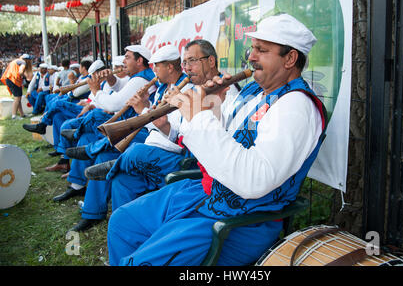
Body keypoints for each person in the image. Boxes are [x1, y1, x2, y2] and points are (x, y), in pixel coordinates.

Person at [107, 14, 328, 266]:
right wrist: (213, 107)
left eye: (261, 50)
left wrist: (198, 117)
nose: (251, 57)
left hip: (242, 220)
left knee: (141, 263)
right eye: (252, 48)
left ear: (290, 59)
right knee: (123, 221)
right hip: (206, 193)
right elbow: (226, 142)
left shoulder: (296, 106)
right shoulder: (255, 91)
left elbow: (255, 180)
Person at [103, 40, 239, 213]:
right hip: (179, 151)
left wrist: (178, 109)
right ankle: (119, 215)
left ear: (211, 61)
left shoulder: (228, 92)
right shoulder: (194, 89)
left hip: (196, 164)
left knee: (136, 151)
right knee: (123, 179)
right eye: (185, 63)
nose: (187, 68)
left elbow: (217, 138)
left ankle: (115, 165)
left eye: (192, 61)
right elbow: (178, 132)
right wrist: (164, 125)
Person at [51, 45, 157, 205]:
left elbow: (114, 104)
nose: (123, 62)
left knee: (96, 117)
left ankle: (80, 141)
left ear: (140, 60)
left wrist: (95, 90)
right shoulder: (139, 77)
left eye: (127, 57)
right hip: (129, 125)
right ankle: (77, 185)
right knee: (87, 137)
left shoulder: (142, 79)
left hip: (135, 130)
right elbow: (122, 88)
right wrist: (111, 79)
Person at [0, 53, 33, 119]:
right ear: (27, 60)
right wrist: (25, 76)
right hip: (13, 80)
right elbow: (20, 72)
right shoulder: (23, 62)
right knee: (17, 98)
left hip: (10, 79)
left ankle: (22, 114)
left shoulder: (16, 61)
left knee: (19, 98)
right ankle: (14, 115)